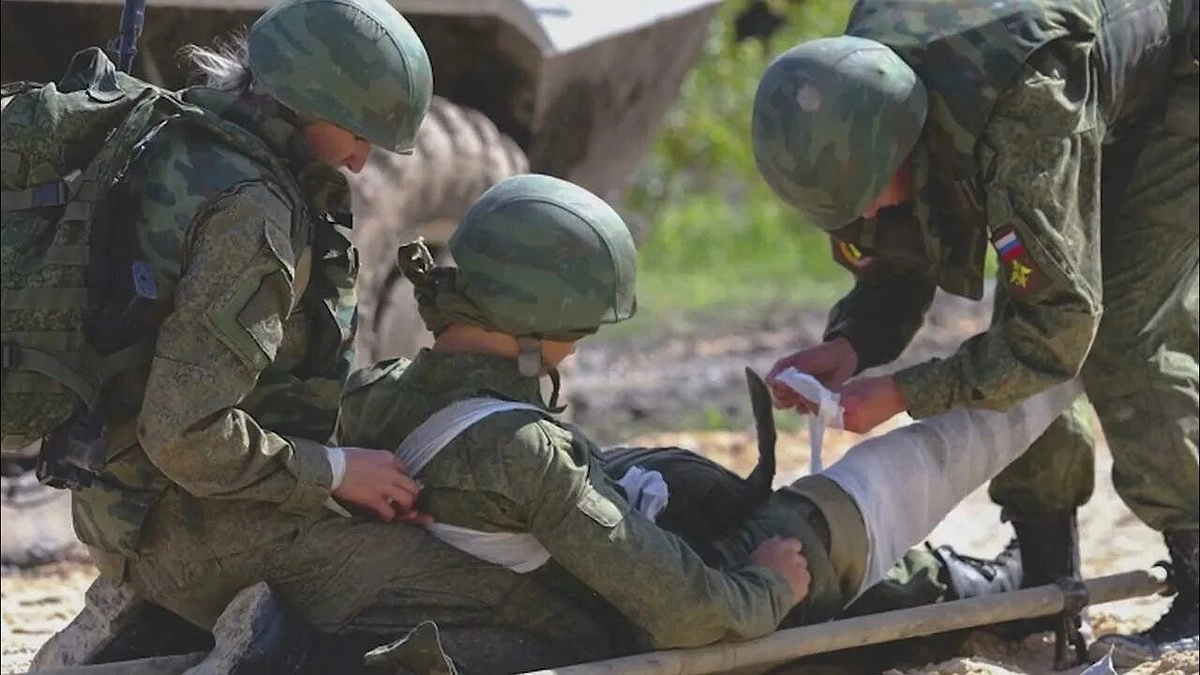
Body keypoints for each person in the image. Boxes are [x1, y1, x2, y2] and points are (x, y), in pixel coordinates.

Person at [332, 172, 1087, 674]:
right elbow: (686, 615)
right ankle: (969, 583)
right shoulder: (523, 450)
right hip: (614, 620)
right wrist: (768, 584)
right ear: (540, 320)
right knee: (813, 529)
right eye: (580, 328)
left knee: (679, 480)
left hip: (535, 594)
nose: (581, 345)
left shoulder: (373, 396)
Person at [20, 0, 522, 668]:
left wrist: (349, 474)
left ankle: (147, 624)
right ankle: (255, 646)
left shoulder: (184, 138)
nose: (362, 162)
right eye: (358, 134)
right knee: (507, 600)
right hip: (194, 525)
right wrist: (337, 474)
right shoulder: (251, 213)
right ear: (307, 103)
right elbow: (184, 434)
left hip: (131, 509)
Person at [749, 0, 1199, 665]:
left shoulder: (1023, 113)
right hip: (1062, 77)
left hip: (1176, 73)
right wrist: (853, 343)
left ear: (904, 139)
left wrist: (905, 393)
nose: (864, 212)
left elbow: (1059, 326)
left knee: (1123, 329)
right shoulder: (851, 93)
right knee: (1025, 310)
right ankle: (1044, 568)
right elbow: (898, 238)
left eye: (867, 195)